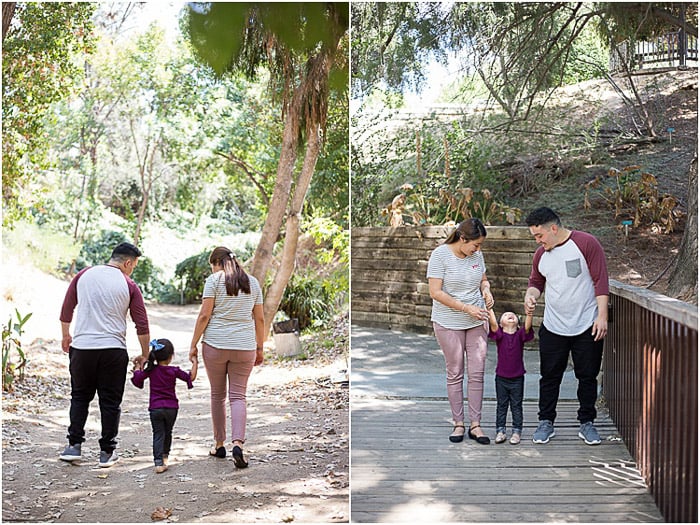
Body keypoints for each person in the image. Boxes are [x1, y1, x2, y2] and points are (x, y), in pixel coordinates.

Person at [58, 242, 150, 467]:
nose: (132, 270)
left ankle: (74, 446)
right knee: (110, 401)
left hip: (82, 348)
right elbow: (142, 323)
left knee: (80, 396)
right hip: (113, 350)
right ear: (128, 263)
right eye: (134, 266)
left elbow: (66, 309)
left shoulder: (84, 275)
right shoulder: (128, 284)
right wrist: (145, 353)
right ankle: (107, 452)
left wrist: (66, 336)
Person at [523, 207, 609, 446]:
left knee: (587, 376)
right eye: (534, 237)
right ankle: (546, 422)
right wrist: (531, 295)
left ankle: (587, 422)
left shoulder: (586, 244)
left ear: (553, 228)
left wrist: (602, 316)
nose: (538, 241)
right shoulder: (541, 255)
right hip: (553, 325)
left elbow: (601, 280)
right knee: (549, 377)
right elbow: (535, 281)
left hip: (586, 324)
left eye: (539, 236)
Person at [189, 247, 265, 468]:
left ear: (216, 263)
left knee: (217, 395)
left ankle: (219, 444)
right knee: (238, 396)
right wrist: (260, 347)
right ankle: (238, 444)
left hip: (215, 345)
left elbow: (204, 315)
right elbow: (259, 319)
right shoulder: (253, 282)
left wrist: (193, 344)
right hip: (244, 347)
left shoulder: (213, 281)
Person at [427, 218, 494, 445]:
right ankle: (458, 423)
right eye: (475, 245)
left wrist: (486, 291)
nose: (478, 249)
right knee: (455, 372)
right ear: (462, 238)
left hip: (477, 321)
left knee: (477, 373)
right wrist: (466, 308)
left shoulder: (477, 256)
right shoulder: (440, 255)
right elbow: (435, 292)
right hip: (448, 322)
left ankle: (476, 424)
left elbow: (483, 279)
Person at [131, 338, 197, 473]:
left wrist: (138, 367)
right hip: (172, 408)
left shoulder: (151, 370)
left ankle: (158, 462)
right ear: (171, 356)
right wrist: (195, 362)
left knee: (158, 433)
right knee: (168, 432)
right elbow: (190, 377)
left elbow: (138, 378)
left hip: (155, 408)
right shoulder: (174, 370)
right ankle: (165, 456)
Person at [487, 309, 534, 445]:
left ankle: (516, 431)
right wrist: (490, 308)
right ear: (501, 323)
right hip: (501, 378)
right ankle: (500, 431)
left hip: (517, 378)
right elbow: (493, 325)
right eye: (506, 315)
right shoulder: (500, 335)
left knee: (516, 406)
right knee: (501, 405)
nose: (510, 315)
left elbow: (527, 327)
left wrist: (529, 313)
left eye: (512, 315)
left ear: (518, 323)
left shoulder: (520, 335)